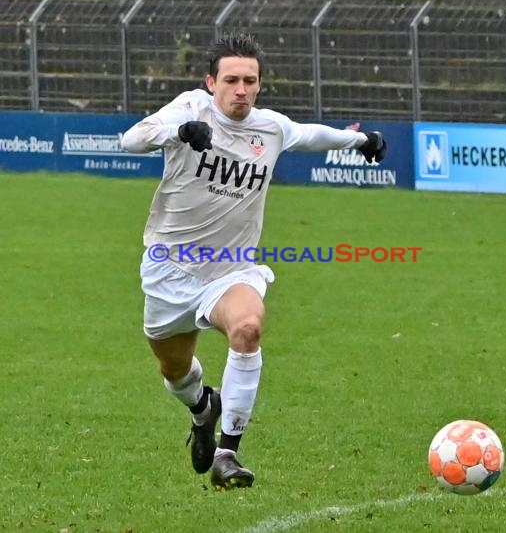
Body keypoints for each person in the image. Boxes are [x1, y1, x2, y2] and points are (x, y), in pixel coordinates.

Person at [120, 31, 386, 490]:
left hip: (231, 269)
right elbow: (131, 139)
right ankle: (203, 411)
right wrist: (178, 132)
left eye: (250, 80)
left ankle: (228, 453)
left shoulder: (271, 128)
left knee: (247, 328)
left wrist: (358, 141)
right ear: (211, 82)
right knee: (174, 370)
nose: (240, 90)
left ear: (259, 84)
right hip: (168, 268)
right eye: (231, 80)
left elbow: (310, 135)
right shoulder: (190, 109)